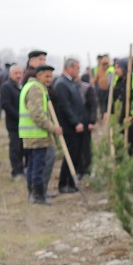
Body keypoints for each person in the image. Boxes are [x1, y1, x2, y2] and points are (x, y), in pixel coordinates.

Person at [21, 58, 64, 203]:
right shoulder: (35, 89)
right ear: (39, 75)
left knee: (33, 166)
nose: (49, 80)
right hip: (37, 135)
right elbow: (37, 115)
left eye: (51, 76)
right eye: (47, 76)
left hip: (32, 134)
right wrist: (53, 128)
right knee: (38, 167)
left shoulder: (31, 86)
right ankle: (38, 196)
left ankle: (34, 194)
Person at [53, 58, 88, 194]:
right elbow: (66, 107)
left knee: (76, 155)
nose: (78, 71)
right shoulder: (62, 84)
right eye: (77, 68)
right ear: (70, 68)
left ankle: (72, 183)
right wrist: (75, 122)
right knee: (70, 156)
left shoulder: (70, 83)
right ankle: (64, 184)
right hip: (70, 127)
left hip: (77, 126)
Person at [1, 56, 34, 176]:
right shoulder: (6, 87)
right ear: (10, 74)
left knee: (23, 148)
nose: (19, 75)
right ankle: (16, 170)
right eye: (16, 73)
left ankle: (24, 168)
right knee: (15, 148)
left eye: (20, 73)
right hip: (14, 124)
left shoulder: (21, 86)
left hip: (23, 124)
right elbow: (6, 105)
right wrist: (19, 116)